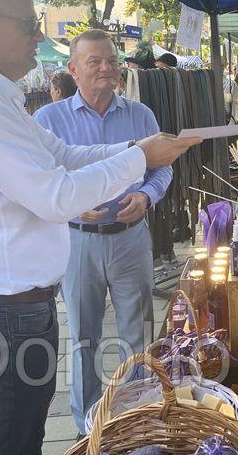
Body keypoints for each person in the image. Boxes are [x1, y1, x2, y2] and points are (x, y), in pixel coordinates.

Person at [0, 0, 200, 455]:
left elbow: (64, 156)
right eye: (28, 24)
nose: (38, 35)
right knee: (5, 443)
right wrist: (139, 156)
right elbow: (55, 194)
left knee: (10, 437)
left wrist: (135, 149)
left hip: (15, 307)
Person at [34, 29, 172, 436]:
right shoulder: (48, 120)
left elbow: (162, 169)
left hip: (131, 237)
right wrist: (73, 204)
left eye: (112, 60)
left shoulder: (141, 115)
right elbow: (40, 180)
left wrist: (146, 196)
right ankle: (86, 424)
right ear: (73, 69)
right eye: (94, 61)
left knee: (138, 332)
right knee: (83, 336)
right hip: (77, 241)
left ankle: (136, 416)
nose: (106, 68)